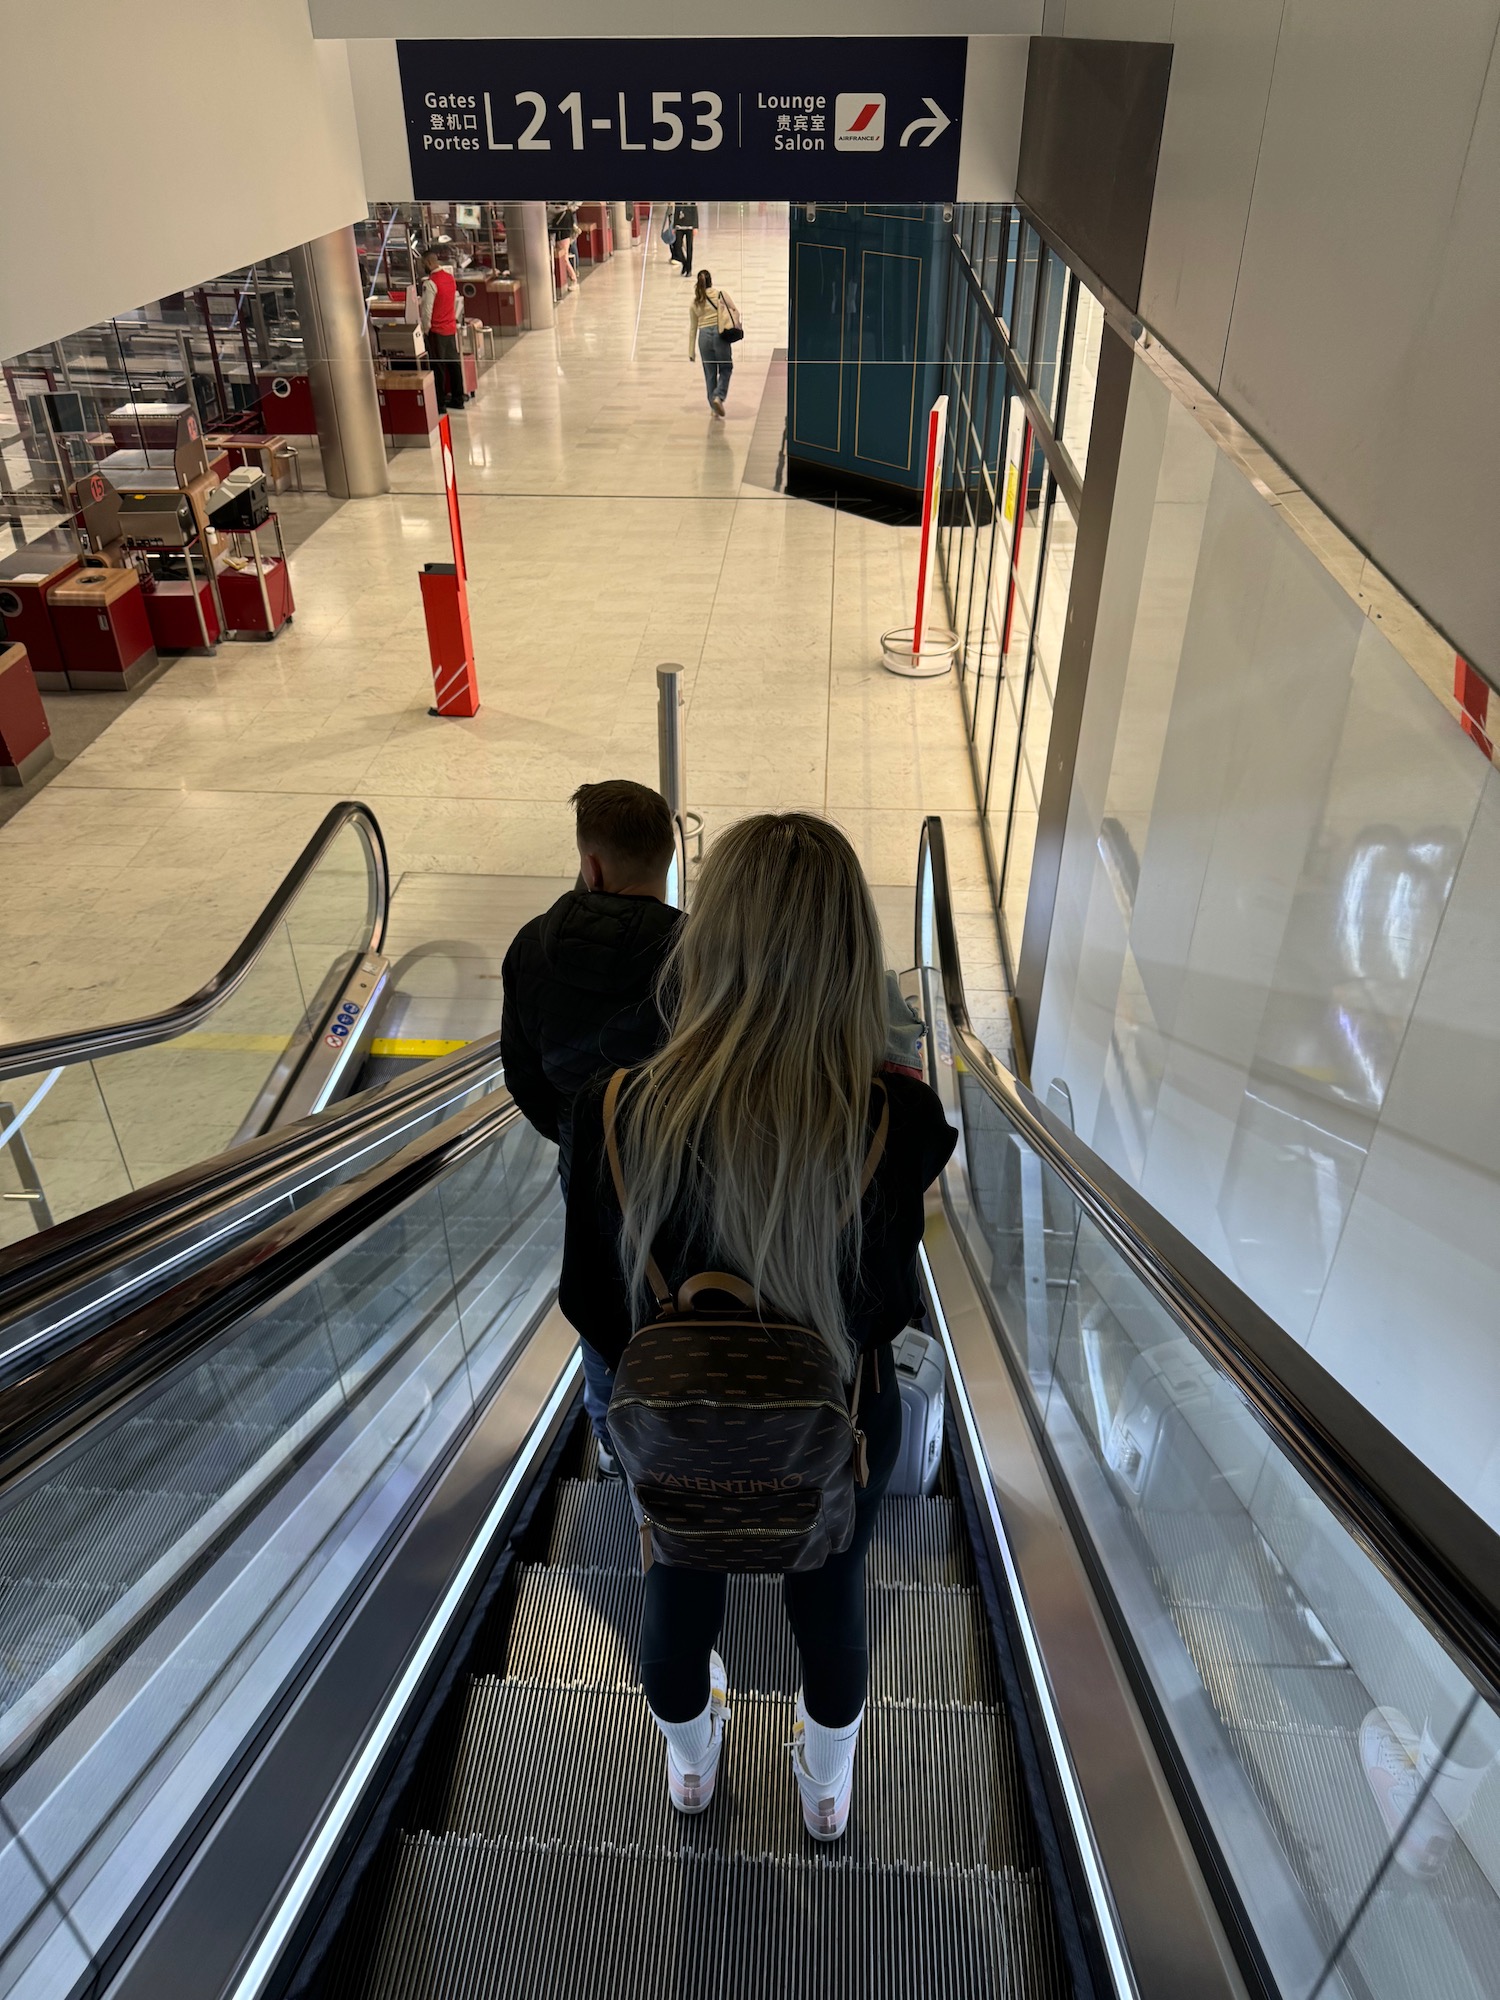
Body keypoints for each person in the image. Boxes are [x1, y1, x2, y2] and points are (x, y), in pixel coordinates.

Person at [558, 813, 956, 1841]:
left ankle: (691, 1768)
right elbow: (884, 1308)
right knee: (830, 1597)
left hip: (673, 1419)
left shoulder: (610, 1111)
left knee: (676, 1586)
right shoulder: (890, 1120)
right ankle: (826, 1791)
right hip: (839, 1427)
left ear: (709, 937)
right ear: (850, 954)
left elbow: (594, 1308)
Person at [502, 780, 683, 1468]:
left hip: (585, 1161)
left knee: (599, 1283)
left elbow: (522, 1074)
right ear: (665, 860)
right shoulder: (699, 955)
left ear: (592, 865)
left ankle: (613, 1434)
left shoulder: (531, 948)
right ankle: (692, 1418)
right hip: (683, 1164)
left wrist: (580, 1137)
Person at [419, 246, 466, 415]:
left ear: (429, 262)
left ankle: (440, 404)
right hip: (450, 327)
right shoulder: (449, 278)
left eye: (423, 263)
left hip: (437, 330)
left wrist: (425, 329)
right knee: (454, 365)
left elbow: (427, 310)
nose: (421, 266)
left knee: (438, 367)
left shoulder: (430, 283)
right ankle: (458, 398)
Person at [688, 271, 737, 418]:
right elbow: (733, 310)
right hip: (719, 335)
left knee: (710, 374)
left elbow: (692, 329)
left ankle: (713, 407)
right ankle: (718, 396)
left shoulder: (695, 303)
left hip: (703, 338)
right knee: (726, 367)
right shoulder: (720, 295)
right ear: (711, 281)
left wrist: (691, 352)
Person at [670, 200, 699, 275]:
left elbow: (695, 212)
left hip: (689, 226)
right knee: (677, 246)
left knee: (689, 248)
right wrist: (674, 227)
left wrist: (695, 227)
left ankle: (689, 269)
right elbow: (676, 212)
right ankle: (685, 264)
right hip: (679, 226)